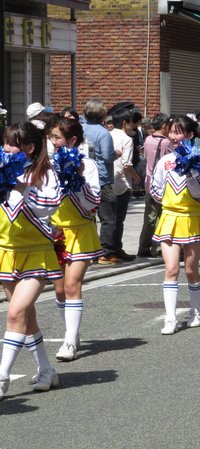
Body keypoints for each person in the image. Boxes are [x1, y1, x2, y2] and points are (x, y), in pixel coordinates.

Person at [0, 122, 63, 399]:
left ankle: (2, 377)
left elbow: (49, 206)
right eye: (4, 143)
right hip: (7, 251)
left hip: (37, 252)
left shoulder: (46, 175)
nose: (6, 149)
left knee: (15, 313)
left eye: (12, 144)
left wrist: (18, 185)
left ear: (29, 147)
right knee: (25, 316)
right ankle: (46, 369)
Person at [151, 115, 200, 335]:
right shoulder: (165, 160)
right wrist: (168, 202)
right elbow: (155, 188)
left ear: (189, 135)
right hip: (169, 217)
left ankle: (195, 310)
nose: (173, 136)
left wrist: (191, 172)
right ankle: (170, 319)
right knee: (171, 268)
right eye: (171, 132)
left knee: (190, 269)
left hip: (194, 217)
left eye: (177, 132)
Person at [48, 118, 102, 362]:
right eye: (51, 138)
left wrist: (77, 180)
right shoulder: (47, 164)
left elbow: (94, 203)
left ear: (72, 141)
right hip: (55, 233)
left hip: (80, 231)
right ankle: (73, 331)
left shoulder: (87, 164)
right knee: (59, 291)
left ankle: (69, 342)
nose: (53, 142)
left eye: (57, 138)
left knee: (72, 285)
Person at [82, 99, 118, 263]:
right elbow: (107, 156)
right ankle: (105, 252)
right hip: (101, 178)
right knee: (108, 217)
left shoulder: (80, 129)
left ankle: (89, 249)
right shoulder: (103, 133)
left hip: (82, 177)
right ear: (103, 116)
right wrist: (117, 153)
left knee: (86, 215)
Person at [138, 113, 170, 257]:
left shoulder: (148, 139)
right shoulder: (166, 143)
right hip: (162, 183)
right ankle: (157, 247)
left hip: (148, 182)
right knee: (162, 216)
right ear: (164, 126)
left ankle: (143, 246)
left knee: (149, 216)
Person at [109, 108, 139, 262]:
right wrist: (136, 177)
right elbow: (127, 164)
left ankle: (106, 250)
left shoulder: (107, 135)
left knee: (108, 219)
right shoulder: (127, 139)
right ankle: (116, 249)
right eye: (131, 123)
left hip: (106, 181)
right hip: (121, 182)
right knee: (118, 219)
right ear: (125, 123)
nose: (133, 126)